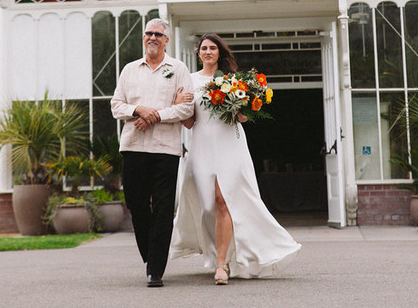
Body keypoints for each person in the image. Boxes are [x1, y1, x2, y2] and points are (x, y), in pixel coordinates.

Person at [170, 32, 301, 284]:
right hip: (202, 147)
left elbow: (242, 118)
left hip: (230, 145)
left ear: (220, 53)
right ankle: (223, 253)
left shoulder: (232, 80)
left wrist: (239, 103)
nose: (208, 52)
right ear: (198, 53)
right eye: (204, 48)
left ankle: (221, 265)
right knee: (208, 206)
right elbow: (188, 122)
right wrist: (177, 102)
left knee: (223, 201)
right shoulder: (189, 81)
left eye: (212, 48)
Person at [111, 17, 194, 287]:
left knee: (162, 208)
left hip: (166, 151)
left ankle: (155, 269)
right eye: (149, 33)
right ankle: (150, 255)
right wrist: (137, 110)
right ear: (143, 37)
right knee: (136, 205)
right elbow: (115, 105)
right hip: (134, 147)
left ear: (166, 40)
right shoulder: (130, 70)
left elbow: (186, 109)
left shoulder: (178, 69)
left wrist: (154, 115)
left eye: (158, 34)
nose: (153, 38)